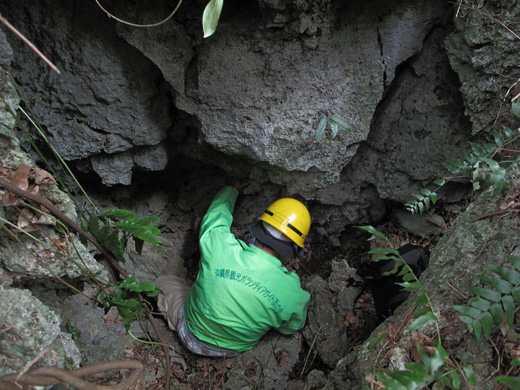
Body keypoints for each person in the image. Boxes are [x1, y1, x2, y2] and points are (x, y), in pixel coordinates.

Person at [155, 182, 311, 357]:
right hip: (231, 350)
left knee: (164, 281)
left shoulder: (220, 247)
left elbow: (215, 217)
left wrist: (232, 189)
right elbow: (291, 327)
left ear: (259, 228)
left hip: (190, 332)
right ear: (292, 250)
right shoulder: (293, 294)